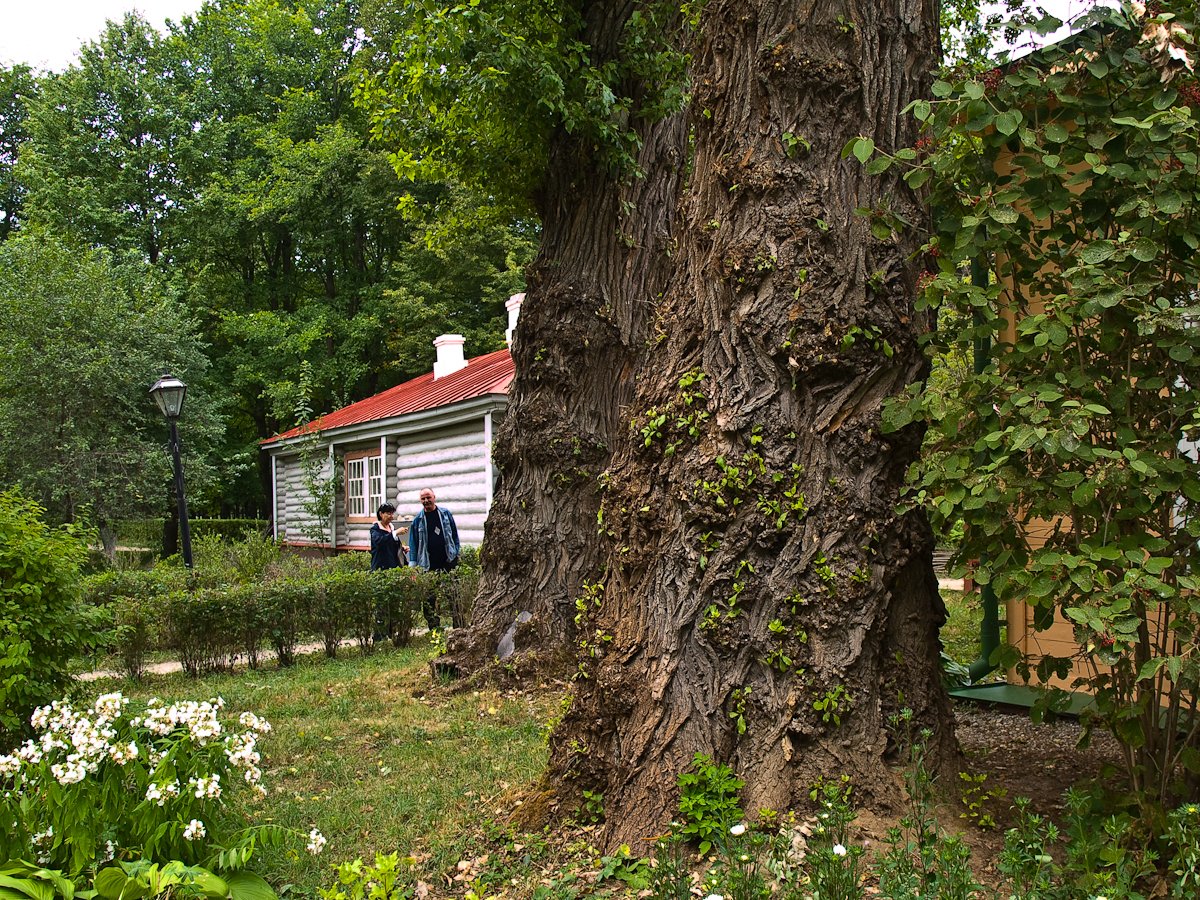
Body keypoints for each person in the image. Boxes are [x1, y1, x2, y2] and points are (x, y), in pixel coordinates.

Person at [408, 488, 459, 631]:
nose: (426, 501)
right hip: (428, 564)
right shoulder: (417, 520)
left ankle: (458, 625)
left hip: (448, 560)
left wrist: (455, 552)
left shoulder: (445, 514)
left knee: (453, 594)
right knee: (430, 597)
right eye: (423, 499)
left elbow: (454, 535)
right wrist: (413, 567)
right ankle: (434, 627)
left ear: (434, 497)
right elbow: (413, 543)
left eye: (428, 497)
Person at [369, 503, 407, 642]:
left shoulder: (391, 528)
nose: (391, 516)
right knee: (381, 604)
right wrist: (395, 533)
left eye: (392, 513)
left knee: (394, 602)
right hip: (380, 570)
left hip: (393, 569)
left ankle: (391, 633)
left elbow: (392, 545)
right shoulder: (375, 529)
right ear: (381, 514)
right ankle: (378, 636)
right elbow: (381, 542)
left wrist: (403, 548)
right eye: (388, 513)